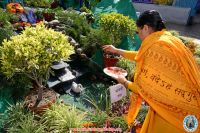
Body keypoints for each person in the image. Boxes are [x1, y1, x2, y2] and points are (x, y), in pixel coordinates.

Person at [103, 10, 200, 133]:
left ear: (146, 28)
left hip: (175, 117)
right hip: (190, 109)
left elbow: (147, 89)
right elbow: (141, 56)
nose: (139, 36)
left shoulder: (157, 46)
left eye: (138, 32)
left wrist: (125, 82)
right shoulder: (168, 40)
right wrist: (117, 51)